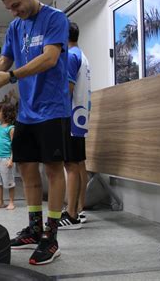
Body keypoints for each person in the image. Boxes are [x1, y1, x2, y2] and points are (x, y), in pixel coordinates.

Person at [0, 0, 71, 265]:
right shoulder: (15, 27)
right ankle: (35, 229)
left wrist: (10, 76)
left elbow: (50, 58)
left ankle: (51, 236)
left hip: (53, 109)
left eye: (17, 5)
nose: (15, 11)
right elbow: (5, 60)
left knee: (53, 169)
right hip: (27, 112)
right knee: (26, 170)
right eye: (10, 8)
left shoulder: (55, 18)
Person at [59, 22, 91, 229]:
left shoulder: (70, 56)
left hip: (70, 116)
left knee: (70, 164)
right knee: (79, 164)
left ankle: (71, 215)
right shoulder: (82, 55)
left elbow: (67, 90)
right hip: (80, 116)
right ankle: (79, 209)